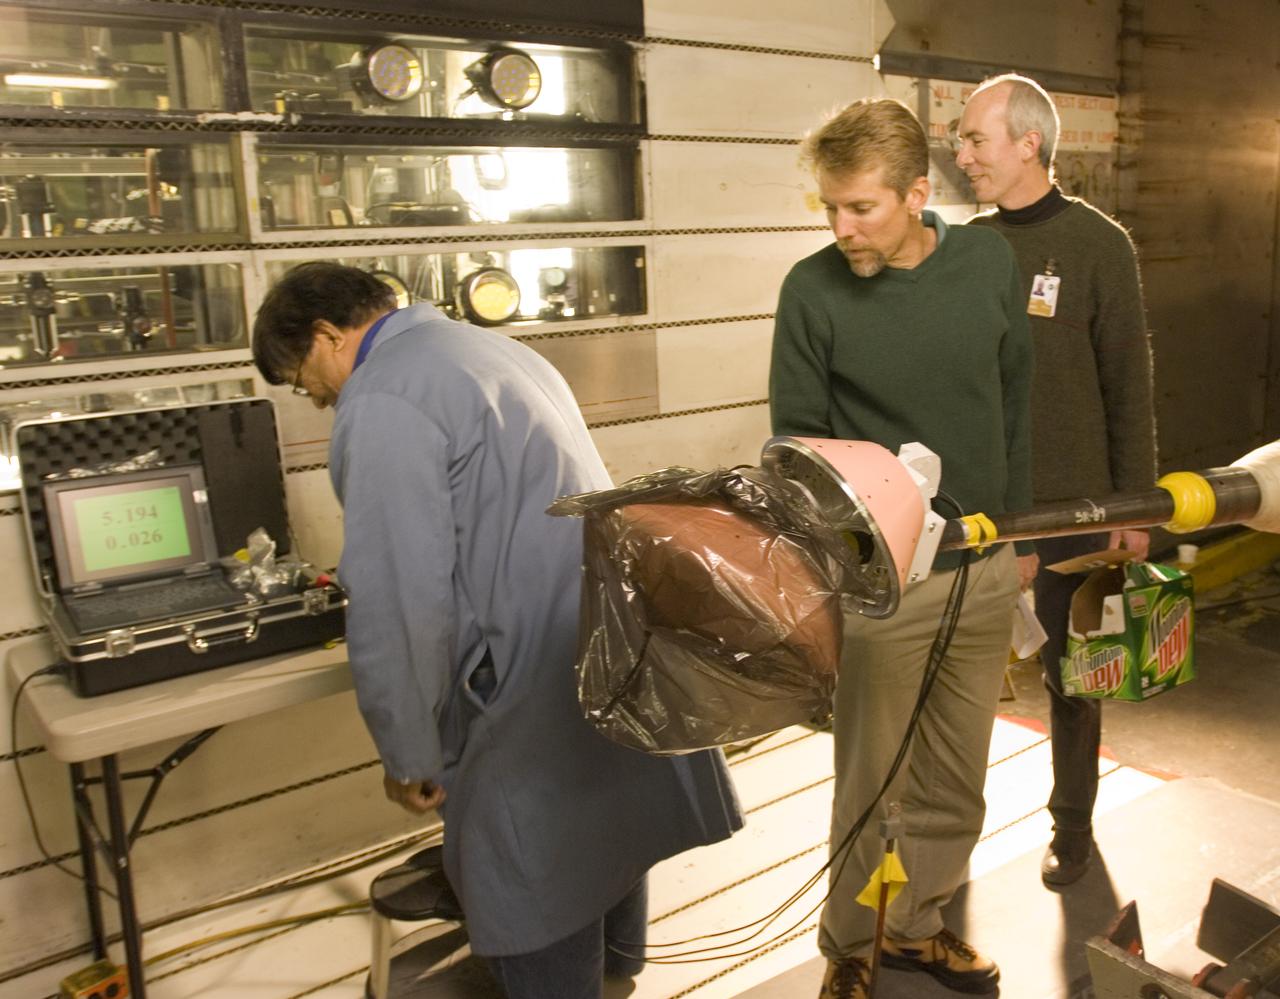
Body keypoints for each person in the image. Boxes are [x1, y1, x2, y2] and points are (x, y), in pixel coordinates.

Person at [251, 263, 743, 999]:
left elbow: (399, 599)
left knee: (532, 883)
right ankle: (613, 976)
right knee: (604, 836)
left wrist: (407, 749)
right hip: (597, 641)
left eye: (302, 378)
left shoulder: (383, 397)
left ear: (328, 336)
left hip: (516, 681)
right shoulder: (498, 352)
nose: (316, 396)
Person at [769, 98, 1035, 998]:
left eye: (862, 208)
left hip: (986, 565)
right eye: (830, 208)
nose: (842, 228)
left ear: (919, 194)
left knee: (958, 773)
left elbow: (1015, 397)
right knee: (870, 780)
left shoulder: (989, 261)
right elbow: (798, 449)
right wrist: (851, 568)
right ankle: (848, 948)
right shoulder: (813, 289)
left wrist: (1025, 533)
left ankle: (917, 928)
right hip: (882, 584)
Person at [956, 74, 1157, 887]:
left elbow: (1128, 382)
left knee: (1074, 679)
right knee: (970, 679)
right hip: (988, 512)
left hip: (1076, 508)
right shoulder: (965, 247)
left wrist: (1134, 510)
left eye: (976, 139)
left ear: (1027, 143)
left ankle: (1071, 825)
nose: (962, 153)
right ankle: (951, 830)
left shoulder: (1099, 245)